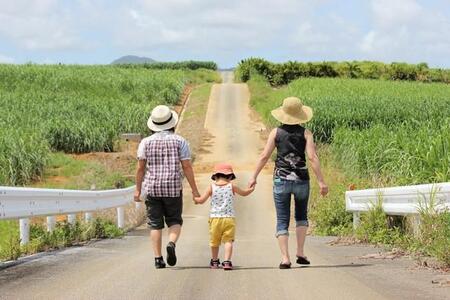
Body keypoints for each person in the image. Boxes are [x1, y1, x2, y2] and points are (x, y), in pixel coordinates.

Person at [248, 97, 328, 269]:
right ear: (300, 114)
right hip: (301, 181)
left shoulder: (276, 133)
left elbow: (264, 156)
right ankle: (300, 252)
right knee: (301, 216)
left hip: (281, 180)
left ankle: (285, 258)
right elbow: (312, 158)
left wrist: (254, 176)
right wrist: (321, 181)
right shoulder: (306, 133)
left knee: (282, 219)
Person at [134, 105, 200, 269]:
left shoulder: (145, 142)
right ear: (172, 123)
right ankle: (171, 243)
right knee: (175, 220)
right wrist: (194, 189)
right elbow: (187, 167)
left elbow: (140, 168)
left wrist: (137, 189)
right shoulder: (180, 141)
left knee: (155, 224)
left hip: (153, 187)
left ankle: (158, 259)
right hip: (172, 187)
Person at [194, 163, 254, 270]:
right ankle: (227, 262)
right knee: (228, 241)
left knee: (214, 242)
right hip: (229, 219)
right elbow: (244, 193)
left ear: (215, 176)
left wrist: (196, 199)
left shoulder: (211, 187)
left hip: (215, 219)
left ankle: (215, 261)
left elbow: (201, 200)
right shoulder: (232, 186)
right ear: (230, 176)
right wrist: (251, 188)